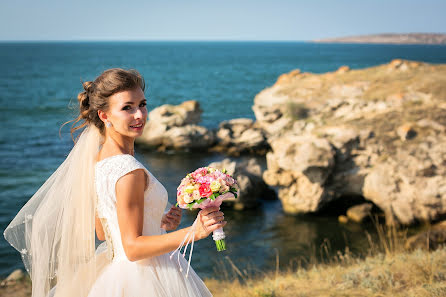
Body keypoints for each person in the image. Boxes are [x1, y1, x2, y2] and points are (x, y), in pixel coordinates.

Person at [4, 68, 225, 297]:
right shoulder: (129, 171)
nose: (139, 115)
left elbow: (104, 231)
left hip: (117, 277)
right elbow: (132, 249)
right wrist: (195, 231)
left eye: (142, 104)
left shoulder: (98, 162)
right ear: (104, 115)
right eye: (127, 108)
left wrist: (158, 225)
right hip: (146, 279)